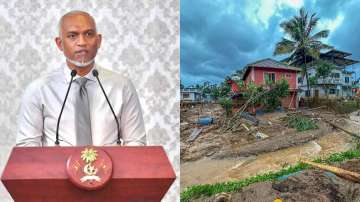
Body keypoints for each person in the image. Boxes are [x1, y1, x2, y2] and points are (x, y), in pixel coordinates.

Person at [16, 11, 146, 146]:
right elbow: (27, 147)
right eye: (72, 36)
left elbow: (136, 143)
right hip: (56, 167)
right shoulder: (39, 89)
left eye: (89, 34)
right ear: (60, 44)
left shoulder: (122, 86)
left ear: (99, 40)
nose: (82, 42)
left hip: (112, 167)